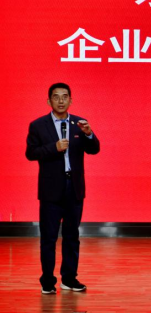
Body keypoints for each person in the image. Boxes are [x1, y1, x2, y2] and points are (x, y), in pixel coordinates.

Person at [25, 83, 100, 295]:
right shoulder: (38, 125)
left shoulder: (79, 124)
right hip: (50, 189)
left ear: (71, 100)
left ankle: (69, 278)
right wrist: (54, 148)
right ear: (49, 101)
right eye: (56, 97)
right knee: (49, 237)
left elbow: (94, 149)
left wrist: (89, 134)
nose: (61, 100)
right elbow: (30, 153)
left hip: (73, 188)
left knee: (72, 236)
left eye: (65, 96)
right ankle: (47, 281)